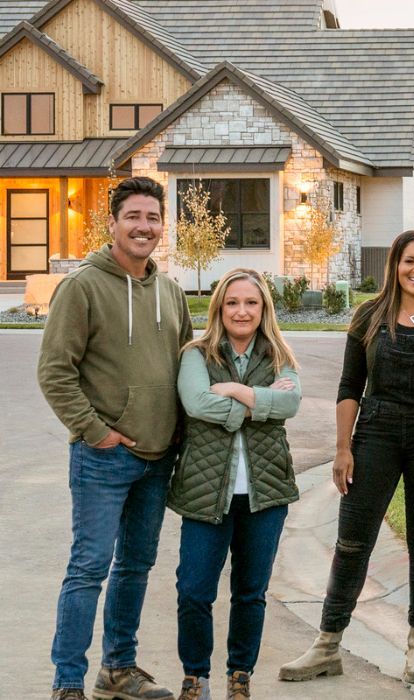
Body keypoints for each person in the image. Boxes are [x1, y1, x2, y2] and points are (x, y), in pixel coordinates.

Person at [280, 230, 414, 685]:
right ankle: (327, 644)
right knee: (352, 542)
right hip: (375, 435)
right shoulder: (369, 315)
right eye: (410, 260)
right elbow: (349, 386)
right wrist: (342, 447)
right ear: (395, 265)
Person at [38, 176, 191, 700]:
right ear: (113, 223)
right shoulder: (82, 287)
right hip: (103, 460)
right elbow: (55, 372)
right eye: (134, 217)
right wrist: (96, 432)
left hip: (157, 458)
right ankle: (67, 682)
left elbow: (188, 365)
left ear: (161, 226)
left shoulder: (170, 291)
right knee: (88, 568)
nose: (143, 227)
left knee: (135, 567)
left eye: (152, 218)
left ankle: (118, 669)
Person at [169, 269, 302, 700]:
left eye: (251, 303)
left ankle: (239, 675)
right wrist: (259, 403)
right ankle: (196, 676)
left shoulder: (280, 355)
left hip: (265, 493)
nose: (241, 311)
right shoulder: (196, 354)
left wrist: (232, 390)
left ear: (263, 309)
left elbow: (291, 402)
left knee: (250, 592)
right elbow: (195, 401)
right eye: (232, 303)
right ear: (219, 308)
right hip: (206, 491)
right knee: (193, 590)